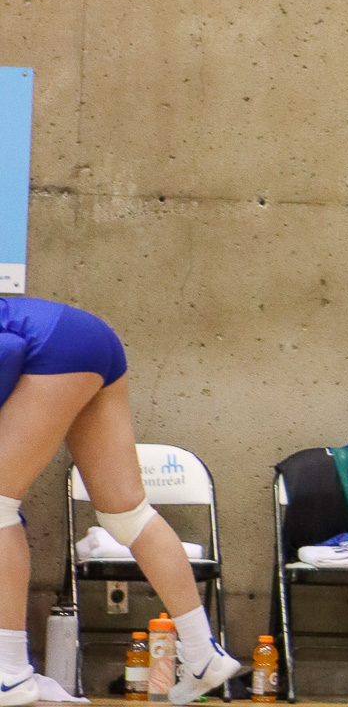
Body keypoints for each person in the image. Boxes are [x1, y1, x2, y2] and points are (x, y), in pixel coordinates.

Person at [0, 298, 241, 704]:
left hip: (52, 346)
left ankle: (7, 672)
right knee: (127, 515)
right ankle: (203, 653)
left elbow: (9, 349)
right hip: (94, 339)